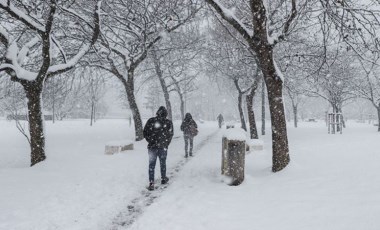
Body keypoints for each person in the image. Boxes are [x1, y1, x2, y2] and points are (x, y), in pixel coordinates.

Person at [143, 106, 174, 191]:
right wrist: (166, 143)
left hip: (152, 147)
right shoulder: (168, 122)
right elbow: (170, 134)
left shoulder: (151, 121)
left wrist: (150, 140)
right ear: (166, 114)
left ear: (157, 112)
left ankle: (151, 182)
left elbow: (145, 132)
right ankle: (163, 178)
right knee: (163, 163)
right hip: (162, 147)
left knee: (151, 165)